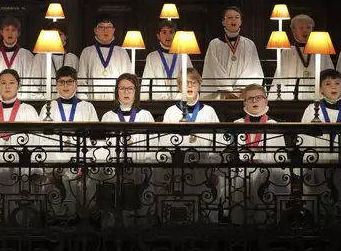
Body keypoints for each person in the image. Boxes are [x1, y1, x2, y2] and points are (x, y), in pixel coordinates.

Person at [158, 68, 221, 224]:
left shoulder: (209, 112)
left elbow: (218, 143)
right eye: (185, 83)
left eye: (193, 82)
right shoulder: (171, 112)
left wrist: (215, 170)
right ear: (179, 87)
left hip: (203, 171)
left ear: (200, 85)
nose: (190, 86)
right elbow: (164, 144)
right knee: (180, 214)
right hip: (178, 172)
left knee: (204, 212)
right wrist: (165, 173)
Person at [0, 69, 40, 225]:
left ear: (18, 86)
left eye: (11, 83)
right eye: (3, 83)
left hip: (20, 168)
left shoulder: (28, 110)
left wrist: (33, 169)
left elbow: (36, 140)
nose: (7, 86)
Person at [37, 66, 98, 221]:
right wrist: (51, 166)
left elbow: (94, 138)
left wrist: (85, 163)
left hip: (81, 163)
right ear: (56, 85)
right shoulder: (48, 108)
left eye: (69, 82)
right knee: (55, 199)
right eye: (61, 82)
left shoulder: (87, 107)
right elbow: (42, 139)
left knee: (83, 198)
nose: (65, 86)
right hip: (56, 162)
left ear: (76, 84)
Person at [300, 69, 341, 224]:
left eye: (337, 83)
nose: (333, 87)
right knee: (319, 194)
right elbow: (305, 137)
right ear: (320, 89)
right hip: (319, 159)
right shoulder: (312, 109)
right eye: (328, 84)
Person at [100, 73, 155, 226]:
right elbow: (102, 147)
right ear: (116, 91)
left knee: (137, 210)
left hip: (139, 168)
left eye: (130, 88)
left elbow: (153, 145)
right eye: (122, 88)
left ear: (136, 91)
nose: (126, 92)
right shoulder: (107, 117)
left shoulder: (146, 116)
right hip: (114, 170)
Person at [230, 84, 288, 225]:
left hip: (267, 174)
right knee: (241, 210)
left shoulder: (273, 124)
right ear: (244, 103)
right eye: (250, 98)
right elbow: (231, 155)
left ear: (266, 101)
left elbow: (280, 156)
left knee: (265, 213)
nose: (255, 101)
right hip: (242, 175)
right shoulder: (237, 124)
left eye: (258, 98)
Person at [201, 6, 263, 99]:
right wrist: (227, 89)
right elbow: (213, 69)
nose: (233, 20)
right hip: (221, 94)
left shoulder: (249, 44)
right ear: (223, 22)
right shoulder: (214, 44)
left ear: (241, 22)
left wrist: (239, 89)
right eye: (229, 17)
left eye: (237, 17)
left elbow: (253, 69)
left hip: (243, 94)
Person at [270, 14, 333, 100]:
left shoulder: (321, 49)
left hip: (317, 97)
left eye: (308, 27)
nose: (305, 31)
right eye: (301, 28)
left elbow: (329, 73)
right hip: (292, 98)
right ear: (293, 30)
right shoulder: (287, 51)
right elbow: (280, 75)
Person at [78, 14, 132, 100]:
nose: (105, 30)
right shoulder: (87, 52)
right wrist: (85, 101)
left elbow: (129, 79)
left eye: (109, 27)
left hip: (117, 101)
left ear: (114, 30)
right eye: (101, 27)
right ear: (95, 30)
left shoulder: (122, 52)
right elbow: (81, 81)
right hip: (92, 102)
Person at [141, 20, 193, 100]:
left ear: (175, 35)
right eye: (164, 32)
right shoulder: (151, 57)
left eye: (171, 32)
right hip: (158, 101)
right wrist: (162, 97)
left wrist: (179, 97)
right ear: (158, 36)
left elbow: (190, 80)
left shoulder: (183, 56)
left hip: (180, 101)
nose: (168, 36)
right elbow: (148, 83)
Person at [0, 17, 34, 99]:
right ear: (1, 32)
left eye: (13, 30)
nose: (10, 33)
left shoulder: (26, 55)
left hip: (20, 99)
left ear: (18, 33)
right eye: (7, 30)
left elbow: (29, 82)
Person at [29, 22, 79, 99]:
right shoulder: (39, 58)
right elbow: (33, 86)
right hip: (45, 103)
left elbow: (77, 85)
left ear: (65, 37)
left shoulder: (73, 58)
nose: (56, 38)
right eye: (53, 35)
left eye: (60, 34)